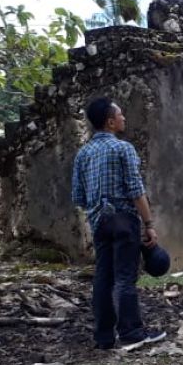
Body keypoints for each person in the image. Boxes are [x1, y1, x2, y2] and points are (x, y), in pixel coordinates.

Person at [71, 97, 166, 351]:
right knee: (125, 277)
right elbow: (136, 190)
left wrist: (97, 210)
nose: (124, 118)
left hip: (98, 222)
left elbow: (78, 196)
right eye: (121, 115)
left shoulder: (83, 154)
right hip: (124, 219)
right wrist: (149, 224)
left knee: (103, 276)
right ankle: (132, 332)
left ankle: (103, 336)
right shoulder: (123, 149)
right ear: (111, 122)